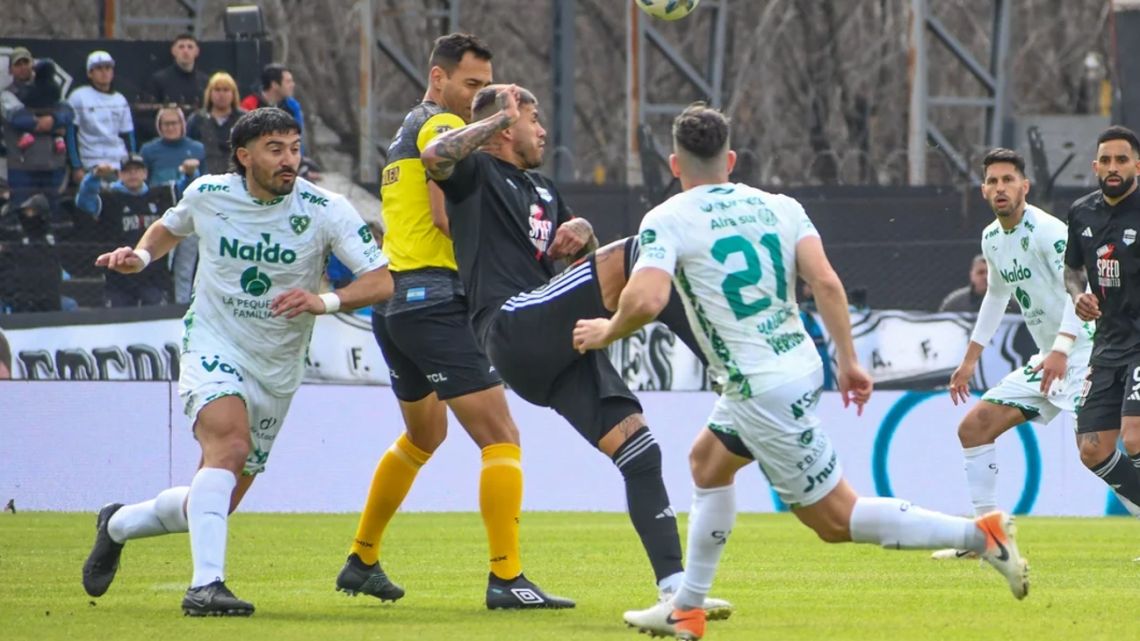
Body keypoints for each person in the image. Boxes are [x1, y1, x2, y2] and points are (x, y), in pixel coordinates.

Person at [571, 104, 1029, 640]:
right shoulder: (779, 206)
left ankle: (984, 536)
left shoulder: (667, 218)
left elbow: (647, 298)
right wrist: (849, 359)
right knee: (706, 463)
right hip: (796, 364)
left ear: (676, 165)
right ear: (732, 159)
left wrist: (606, 331)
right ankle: (686, 609)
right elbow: (828, 285)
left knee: (836, 520)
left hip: (758, 387)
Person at [421, 85, 733, 619]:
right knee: (640, 251)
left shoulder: (543, 190)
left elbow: (582, 273)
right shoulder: (476, 175)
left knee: (640, 450)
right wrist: (494, 122)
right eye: (533, 118)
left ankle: (676, 593)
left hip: (554, 347)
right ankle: (728, 369)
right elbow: (434, 157)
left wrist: (585, 235)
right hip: (511, 322)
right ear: (504, 125)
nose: (542, 130)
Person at [80, 108, 394, 616]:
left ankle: (116, 524)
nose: (288, 159)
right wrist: (140, 256)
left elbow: (381, 279)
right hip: (214, 342)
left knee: (213, 501)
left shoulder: (325, 208)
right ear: (244, 156)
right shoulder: (208, 194)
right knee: (229, 445)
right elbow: (168, 227)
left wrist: (325, 301)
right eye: (275, 148)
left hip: (278, 365)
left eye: (294, 147)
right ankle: (206, 587)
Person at [335, 33, 570, 609]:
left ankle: (362, 558)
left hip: (396, 302)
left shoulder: (404, 131)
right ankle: (507, 578)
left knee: (424, 436)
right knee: (502, 436)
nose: (477, 96)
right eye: (470, 84)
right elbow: (447, 216)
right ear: (438, 78)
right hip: (436, 301)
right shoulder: (439, 126)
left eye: (483, 86)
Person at [933, 148, 1121, 559]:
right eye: (993, 181)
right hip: (1049, 359)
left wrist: (1061, 348)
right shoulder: (991, 238)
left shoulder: (1048, 231)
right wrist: (969, 361)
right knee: (974, 428)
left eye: (1008, 180)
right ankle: (987, 537)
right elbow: (996, 297)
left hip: (1086, 353)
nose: (1001, 188)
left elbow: (1083, 288)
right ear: (984, 190)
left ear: (1024, 187)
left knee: (1098, 452)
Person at [1063, 125, 1140, 541]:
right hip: (1107, 343)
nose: (1113, 168)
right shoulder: (1081, 212)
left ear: (1137, 166)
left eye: (1121, 160)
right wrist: (1079, 296)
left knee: (1135, 436)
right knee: (1092, 449)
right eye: (1106, 160)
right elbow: (1072, 270)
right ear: (1095, 166)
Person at [75, 155, 175, 307]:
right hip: (118, 278)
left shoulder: (159, 196)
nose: (133, 174)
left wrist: (190, 175)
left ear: (145, 173)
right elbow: (84, 202)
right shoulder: (109, 198)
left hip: (154, 276)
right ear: (120, 175)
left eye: (137, 170)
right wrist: (94, 176)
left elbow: (186, 194)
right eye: (128, 171)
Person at [1, 53, 73, 222]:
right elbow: (18, 117)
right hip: (22, 166)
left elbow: (68, 112)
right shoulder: (7, 94)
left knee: (53, 213)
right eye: (18, 64)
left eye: (26, 62)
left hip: (52, 163)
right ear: (11, 69)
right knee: (21, 212)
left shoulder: (50, 88)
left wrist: (53, 119)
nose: (23, 67)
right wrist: (40, 122)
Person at [67, 51, 135, 182]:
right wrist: (76, 167)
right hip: (91, 164)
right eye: (98, 68)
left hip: (118, 163)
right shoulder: (78, 96)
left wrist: (131, 165)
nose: (104, 72)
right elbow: (71, 134)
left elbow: (128, 136)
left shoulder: (120, 99)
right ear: (89, 73)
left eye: (108, 68)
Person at [186, 72, 245, 174]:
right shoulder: (197, 119)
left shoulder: (243, 119)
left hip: (236, 176)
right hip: (204, 175)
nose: (221, 94)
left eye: (226, 90)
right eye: (217, 90)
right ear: (209, 93)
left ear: (233, 93)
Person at [145, 34, 210, 113]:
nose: (185, 51)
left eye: (190, 47)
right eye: (181, 47)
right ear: (173, 51)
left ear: (197, 51)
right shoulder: (159, 80)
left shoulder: (205, 81)